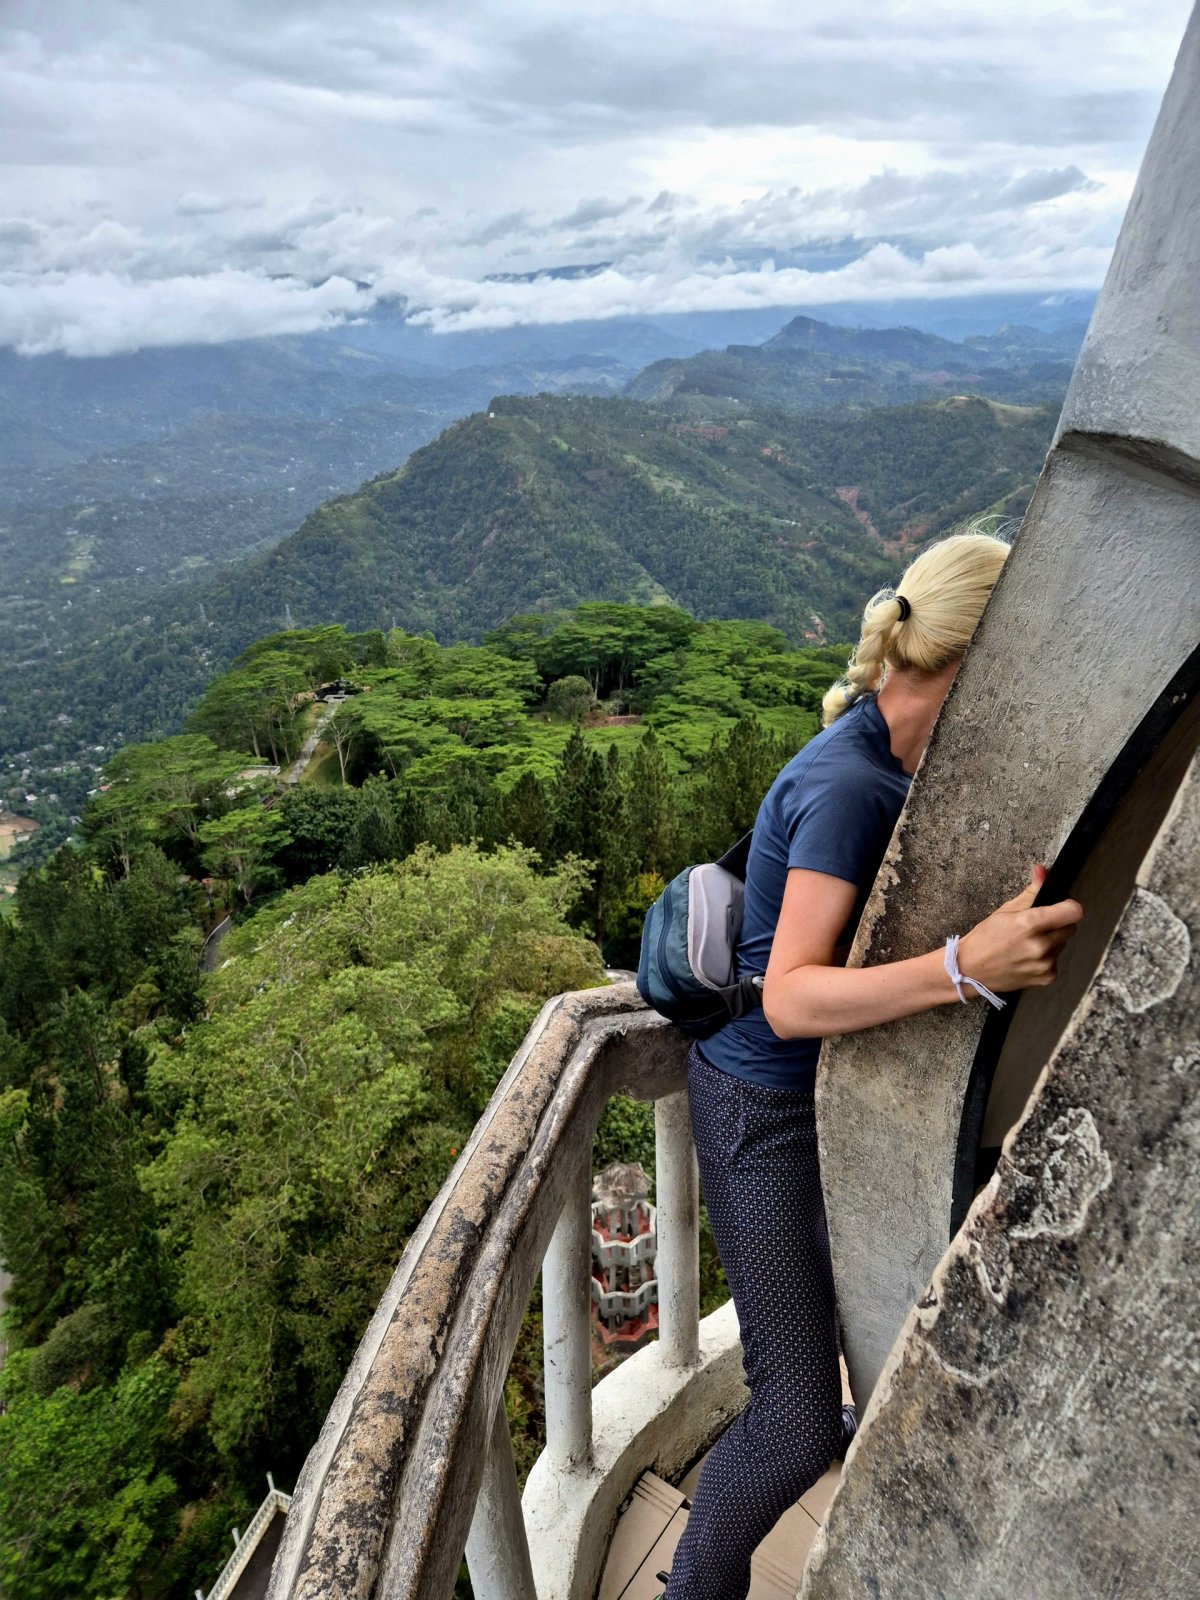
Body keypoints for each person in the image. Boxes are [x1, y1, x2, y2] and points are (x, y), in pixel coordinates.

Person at [661, 529, 1084, 1600]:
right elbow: (790, 994)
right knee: (794, 1421)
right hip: (759, 1109)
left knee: (851, 1343)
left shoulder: (893, 755)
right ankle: (693, 1587)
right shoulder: (850, 784)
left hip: (815, 1105)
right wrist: (965, 965)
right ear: (975, 658)